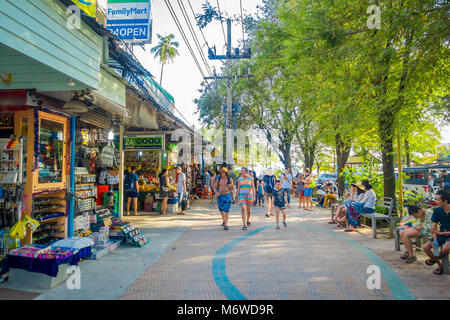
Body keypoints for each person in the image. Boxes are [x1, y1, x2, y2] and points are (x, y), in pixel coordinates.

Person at [422, 190, 450, 275]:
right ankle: (439, 264)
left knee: (445, 248)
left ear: (445, 201)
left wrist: (443, 233)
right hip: (440, 234)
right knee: (426, 246)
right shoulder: (437, 211)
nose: (436, 201)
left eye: (438, 200)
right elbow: (433, 229)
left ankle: (433, 259)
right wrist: (435, 240)